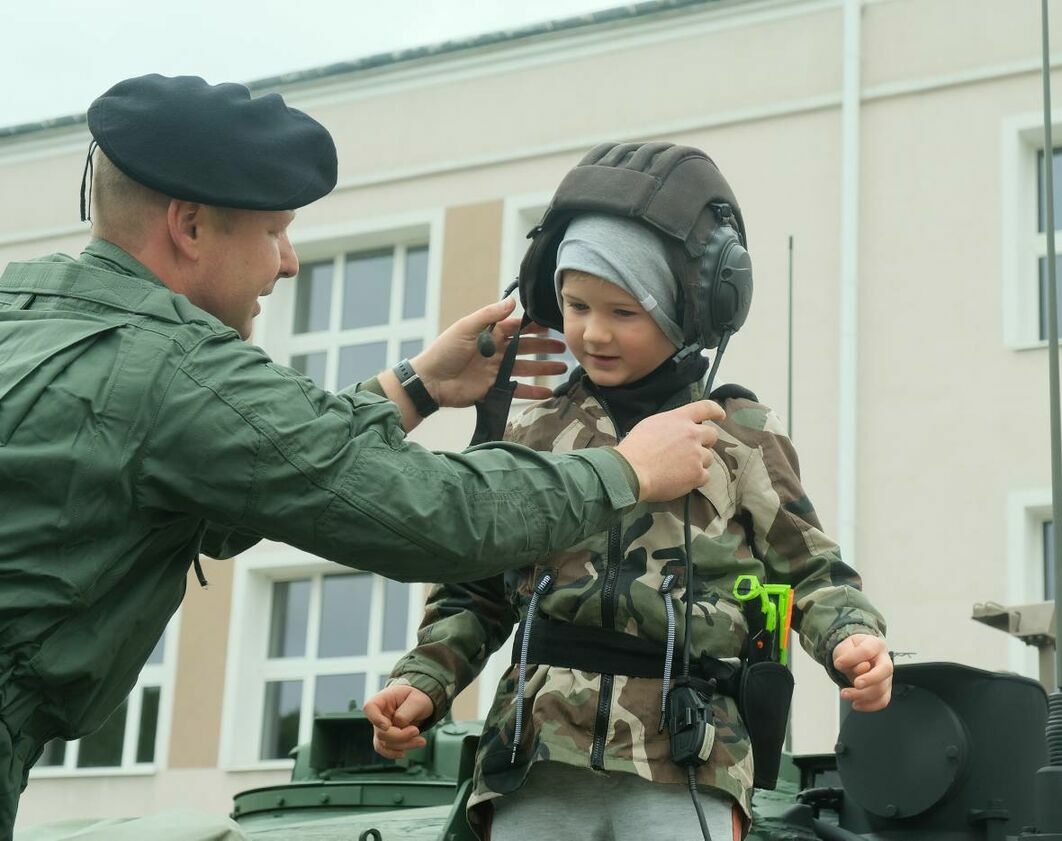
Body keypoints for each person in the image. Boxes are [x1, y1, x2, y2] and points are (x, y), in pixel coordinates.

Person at [0, 78, 723, 838]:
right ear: (188, 224)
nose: (288, 265)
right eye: (273, 232)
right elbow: (442, 516)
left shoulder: (25, 311)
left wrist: (417, 386)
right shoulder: (175, 369)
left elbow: (252, 472)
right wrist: (627, 470)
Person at [366, 144, 892, 841]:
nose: (593, 331)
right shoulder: (532, 430)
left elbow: (814, 573)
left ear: (686, 309)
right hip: (534, 755)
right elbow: (476, 589)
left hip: (685, 764)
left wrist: (853, 639)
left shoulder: (738, 437)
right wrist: (425, 680)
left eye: (624, 310)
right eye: (577, 304)